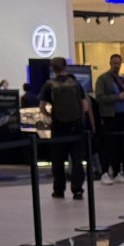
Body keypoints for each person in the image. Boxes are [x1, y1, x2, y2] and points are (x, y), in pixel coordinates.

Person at [39, 56, 93, 201]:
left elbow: (42, 108)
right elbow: (85, 107)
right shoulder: (75, 84)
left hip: (58, 128)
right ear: (65, 67)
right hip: (76, 127)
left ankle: (59, 190)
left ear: (53, 68)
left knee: (58, 161)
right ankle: (77, 190)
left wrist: (52, 116)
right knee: (76, 160)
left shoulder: (49, 85)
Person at [95, 54, 124, 184]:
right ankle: (104, 172)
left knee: (119, 146)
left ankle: (117, 172)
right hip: (110, 116)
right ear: (110, 63)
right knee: (109, 145)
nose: (116, 65)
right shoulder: (103, 79)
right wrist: (117, 97)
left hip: (122, 116)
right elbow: (100, 98)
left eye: (118, 63)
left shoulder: (121, 80)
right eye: (114, 63)